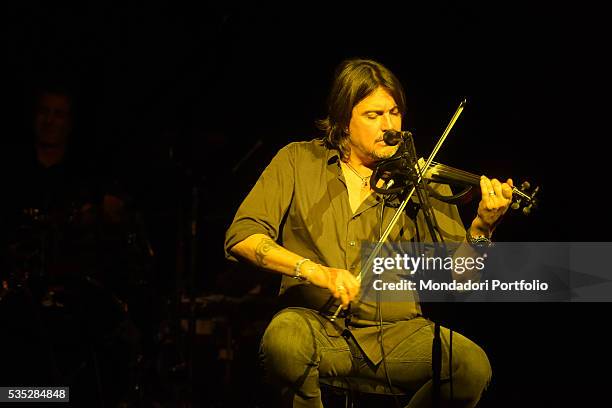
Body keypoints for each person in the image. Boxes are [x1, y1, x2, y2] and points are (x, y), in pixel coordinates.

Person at [224, 59, 514, 407]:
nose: (389, 126)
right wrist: (314, 271)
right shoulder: (297, 161)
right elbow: (243, 237)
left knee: (469, 365)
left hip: (397, 336)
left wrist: (482, 227)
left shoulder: (417, 181)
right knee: (284, 340)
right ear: (344, 119)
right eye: (373, 115)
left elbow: (459, 279)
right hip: (317, 327)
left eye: (394, 113)